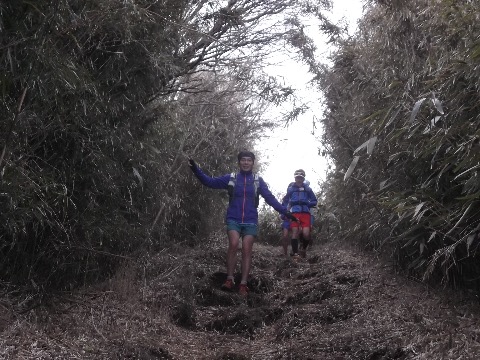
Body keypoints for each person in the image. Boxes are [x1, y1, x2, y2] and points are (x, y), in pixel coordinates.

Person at [188, 151, 298, 296]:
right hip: (233, 218)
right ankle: (229, 279)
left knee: (247, 249)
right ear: (239, 162)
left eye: (249, 160)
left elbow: (270, 198)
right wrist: (196, 169)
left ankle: (243, 283)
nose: (246, 163)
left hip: (250, 220)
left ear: (253, 163)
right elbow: (210, 182)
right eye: (243, 160)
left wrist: (285, 212)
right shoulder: (231, 178)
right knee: (233, 244)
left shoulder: (258, 181)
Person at [283, 169, 317, 260]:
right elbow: (286, 200)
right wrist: (284, 211)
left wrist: (307, 204)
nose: (299, 179)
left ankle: (303, 249)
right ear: (295, 178)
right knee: (295, 232)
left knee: (306, 234)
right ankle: (295, 254)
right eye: (297, 177)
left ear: (303, 178)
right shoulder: (291, 189)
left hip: (305, 213)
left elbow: (314, 200)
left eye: (301, 177)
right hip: (295, 213)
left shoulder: (307, 189)